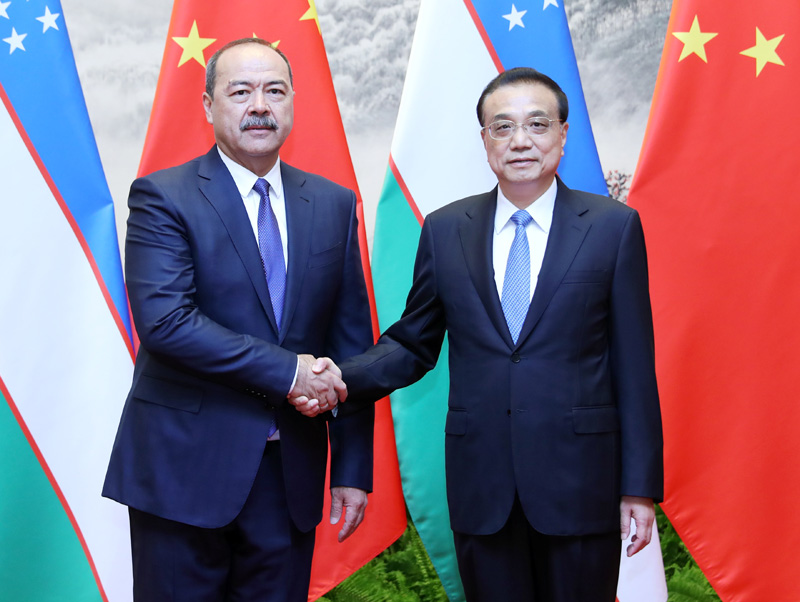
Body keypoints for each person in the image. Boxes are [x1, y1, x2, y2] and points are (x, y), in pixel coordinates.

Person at [332, 68, 664, 601]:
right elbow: (412, 343)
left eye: (537, 124)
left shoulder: (612, 227)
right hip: (482, 489)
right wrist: (333, 378)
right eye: (503, 127)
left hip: (582, 485)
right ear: (485, 140)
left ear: (562, 134)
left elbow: (634, 367)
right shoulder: (445, 229)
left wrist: (639, 488)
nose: (521, 140)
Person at [103, 38, 375, 601]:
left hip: (290, 474)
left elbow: (349, 341)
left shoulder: (333, 204)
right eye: (240, 92)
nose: (260, 106)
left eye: (275, 91)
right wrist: (290, 373)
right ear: (208, 105)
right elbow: (167, 322)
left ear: (293, 102)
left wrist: (351, 467)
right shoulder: (162, 197)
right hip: (183, 471)